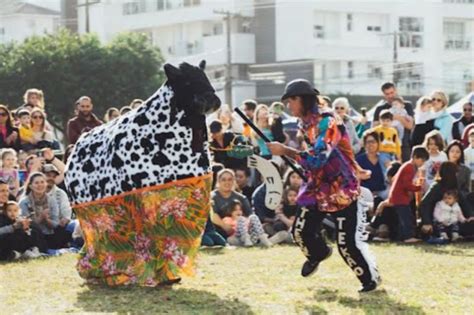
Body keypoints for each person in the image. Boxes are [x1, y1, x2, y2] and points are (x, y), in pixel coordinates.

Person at [267, 79, 380, 292]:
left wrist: (285, 151)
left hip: (342, 188)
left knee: (347, 245)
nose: (289, 106)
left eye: (291, 100)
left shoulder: (328, 122)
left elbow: (318, 158)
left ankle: (369, 281)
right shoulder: (304, 123)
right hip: (317, 187)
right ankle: (318, 254)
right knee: (300, 231)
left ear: (303, 99)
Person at [376, 146, 429, 243]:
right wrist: (417, 187)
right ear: (416, 157)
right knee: (406, 218)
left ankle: (402, 236)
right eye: (422, 160)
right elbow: (406, 184)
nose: (422, 163)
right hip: (400, 197)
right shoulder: (410, 167)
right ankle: (408, 236)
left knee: (404, 217)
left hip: (399, 195)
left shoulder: (407, 166)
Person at [419, 162, 474, 238]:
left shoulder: (455, 187)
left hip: (453, 221)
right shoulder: (437, 187)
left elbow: (464, 203)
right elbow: (425, 204)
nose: (457, 175)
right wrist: (427, 222)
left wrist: (471, 215)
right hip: (438, 221)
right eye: (456, 173)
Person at [372, 82, 414, 161]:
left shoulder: (407, 105)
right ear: (384, 95)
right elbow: (375, 128)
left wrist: (397, 117)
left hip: (403, 145)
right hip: (385, 147)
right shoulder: (380, 108)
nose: (390, 96)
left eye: (392, 92)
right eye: (387, 94)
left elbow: (410, 126)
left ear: (396, 91)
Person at [19, 172, 61, 249]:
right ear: (31, 186)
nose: (40, 185)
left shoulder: (51, 200)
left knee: (63, 233)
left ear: (46, 184)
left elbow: (55, 224)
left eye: (42, 182)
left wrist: (47, 220)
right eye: (36, 183)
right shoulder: (24, 202)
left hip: (49, 233)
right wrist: (40, 218)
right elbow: (26, 225)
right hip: (33, 235)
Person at [210, 169, 253, 238]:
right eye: (223, 180)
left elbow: (250, 215)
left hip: (240, 228)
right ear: (218, 181)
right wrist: (225, 226)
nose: (227, 182)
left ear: (234, 181)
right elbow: (213, 215)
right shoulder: (212, 197)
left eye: (230, 179)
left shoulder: (241, 198)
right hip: (218, 228)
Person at [356, 131, 387, 200]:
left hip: (382, 192)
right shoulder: (359, 159)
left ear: (378, 143)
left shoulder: (384, 158)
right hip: (365, 193)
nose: (370, 144)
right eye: (368, 142)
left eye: (373, 141)